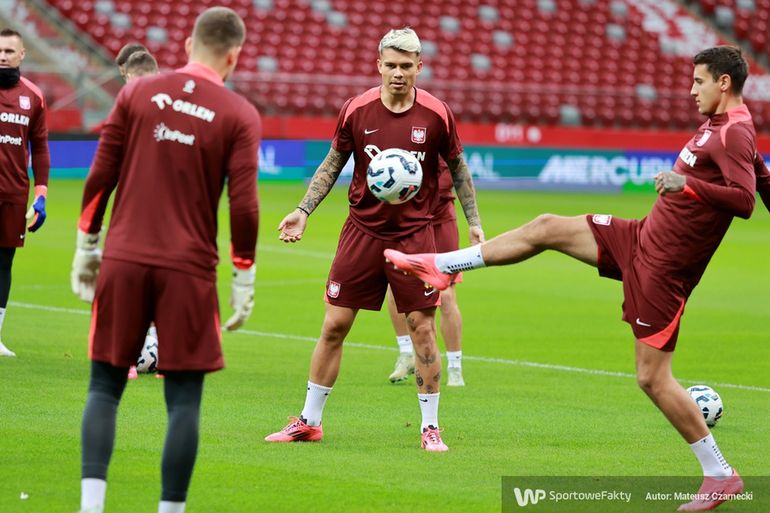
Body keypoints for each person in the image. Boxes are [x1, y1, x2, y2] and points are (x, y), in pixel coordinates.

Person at [387, 46, 754, 510]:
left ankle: (720, 475)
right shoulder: (721, 125)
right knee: (546, 227)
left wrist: (688, 185)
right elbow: (762, 179)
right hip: (640, 237)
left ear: (723, 82)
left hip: (664, 270)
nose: (691, 90)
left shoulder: (733, 131)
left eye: (699, 81)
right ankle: (443, 265)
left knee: (652, 378)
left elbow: (744, 199)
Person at [70, 7, 261, 513]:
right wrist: (244, 274)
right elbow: (244, 205)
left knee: (104, 387)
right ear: (234, 56)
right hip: (189, 270)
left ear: (187, 46)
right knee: (183, 401)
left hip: (124, 259)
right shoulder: (239, 113)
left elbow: (101, 174)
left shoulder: (135, 94)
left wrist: (87, 244)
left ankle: (91, 506)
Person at [265, 27, 483, 452]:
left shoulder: (437, 114)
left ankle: (430, 428)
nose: (398, 73)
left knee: (422, 327)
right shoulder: (357, 109)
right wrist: (303, 210)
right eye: (391, 65)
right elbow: (333, 162)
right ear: (378, 65)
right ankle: (309, 422)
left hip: (415, 236)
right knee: (334, 324)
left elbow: (458, 167)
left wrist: (473, 220)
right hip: (362, 232)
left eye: (406, 66)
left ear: (419, 67)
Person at [387, 166, 466, 386]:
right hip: (407, 220)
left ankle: (455, 367)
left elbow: (453, 176)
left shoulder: (443, 143)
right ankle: (406, 354)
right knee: (396, 286)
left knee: (446, 295)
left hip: (440, 220)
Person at [0, 28, 49, 358]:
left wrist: (41, 194)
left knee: (4, 262)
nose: (2, 56)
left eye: (8, 51)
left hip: (14, 193)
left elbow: (40, 148)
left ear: (22, 54)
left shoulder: (33, 96)